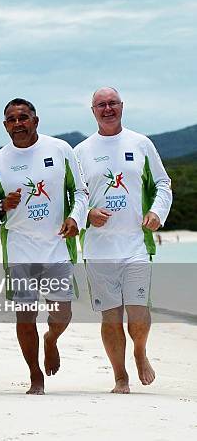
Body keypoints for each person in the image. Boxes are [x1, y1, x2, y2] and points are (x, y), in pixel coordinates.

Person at [0, 98, 88, 394]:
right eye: (12, 120)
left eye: (23, 118)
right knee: (25, 316)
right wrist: (2, 205)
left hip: (56, 247)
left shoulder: (60, 150)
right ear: (5, 126)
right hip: (19, 249)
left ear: (35, 121)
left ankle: (51, 339)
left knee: (61, 314)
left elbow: (80, 191)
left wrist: (76, 218)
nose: (18, 124)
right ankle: (35, 375)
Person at [75, 87, 172, 394]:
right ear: (93, 111)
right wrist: (88, 213)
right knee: (111, 317)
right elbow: (72, 197)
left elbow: (163, 184)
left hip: (135, 245)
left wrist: (156, 213)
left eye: (112, 103)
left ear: (122, 106)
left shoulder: (140, 143)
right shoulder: (81, 151)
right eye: (101, 105)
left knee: (139, 313)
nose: (107, 109)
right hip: (98, 249)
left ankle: (140, 352)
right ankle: (120, 377)